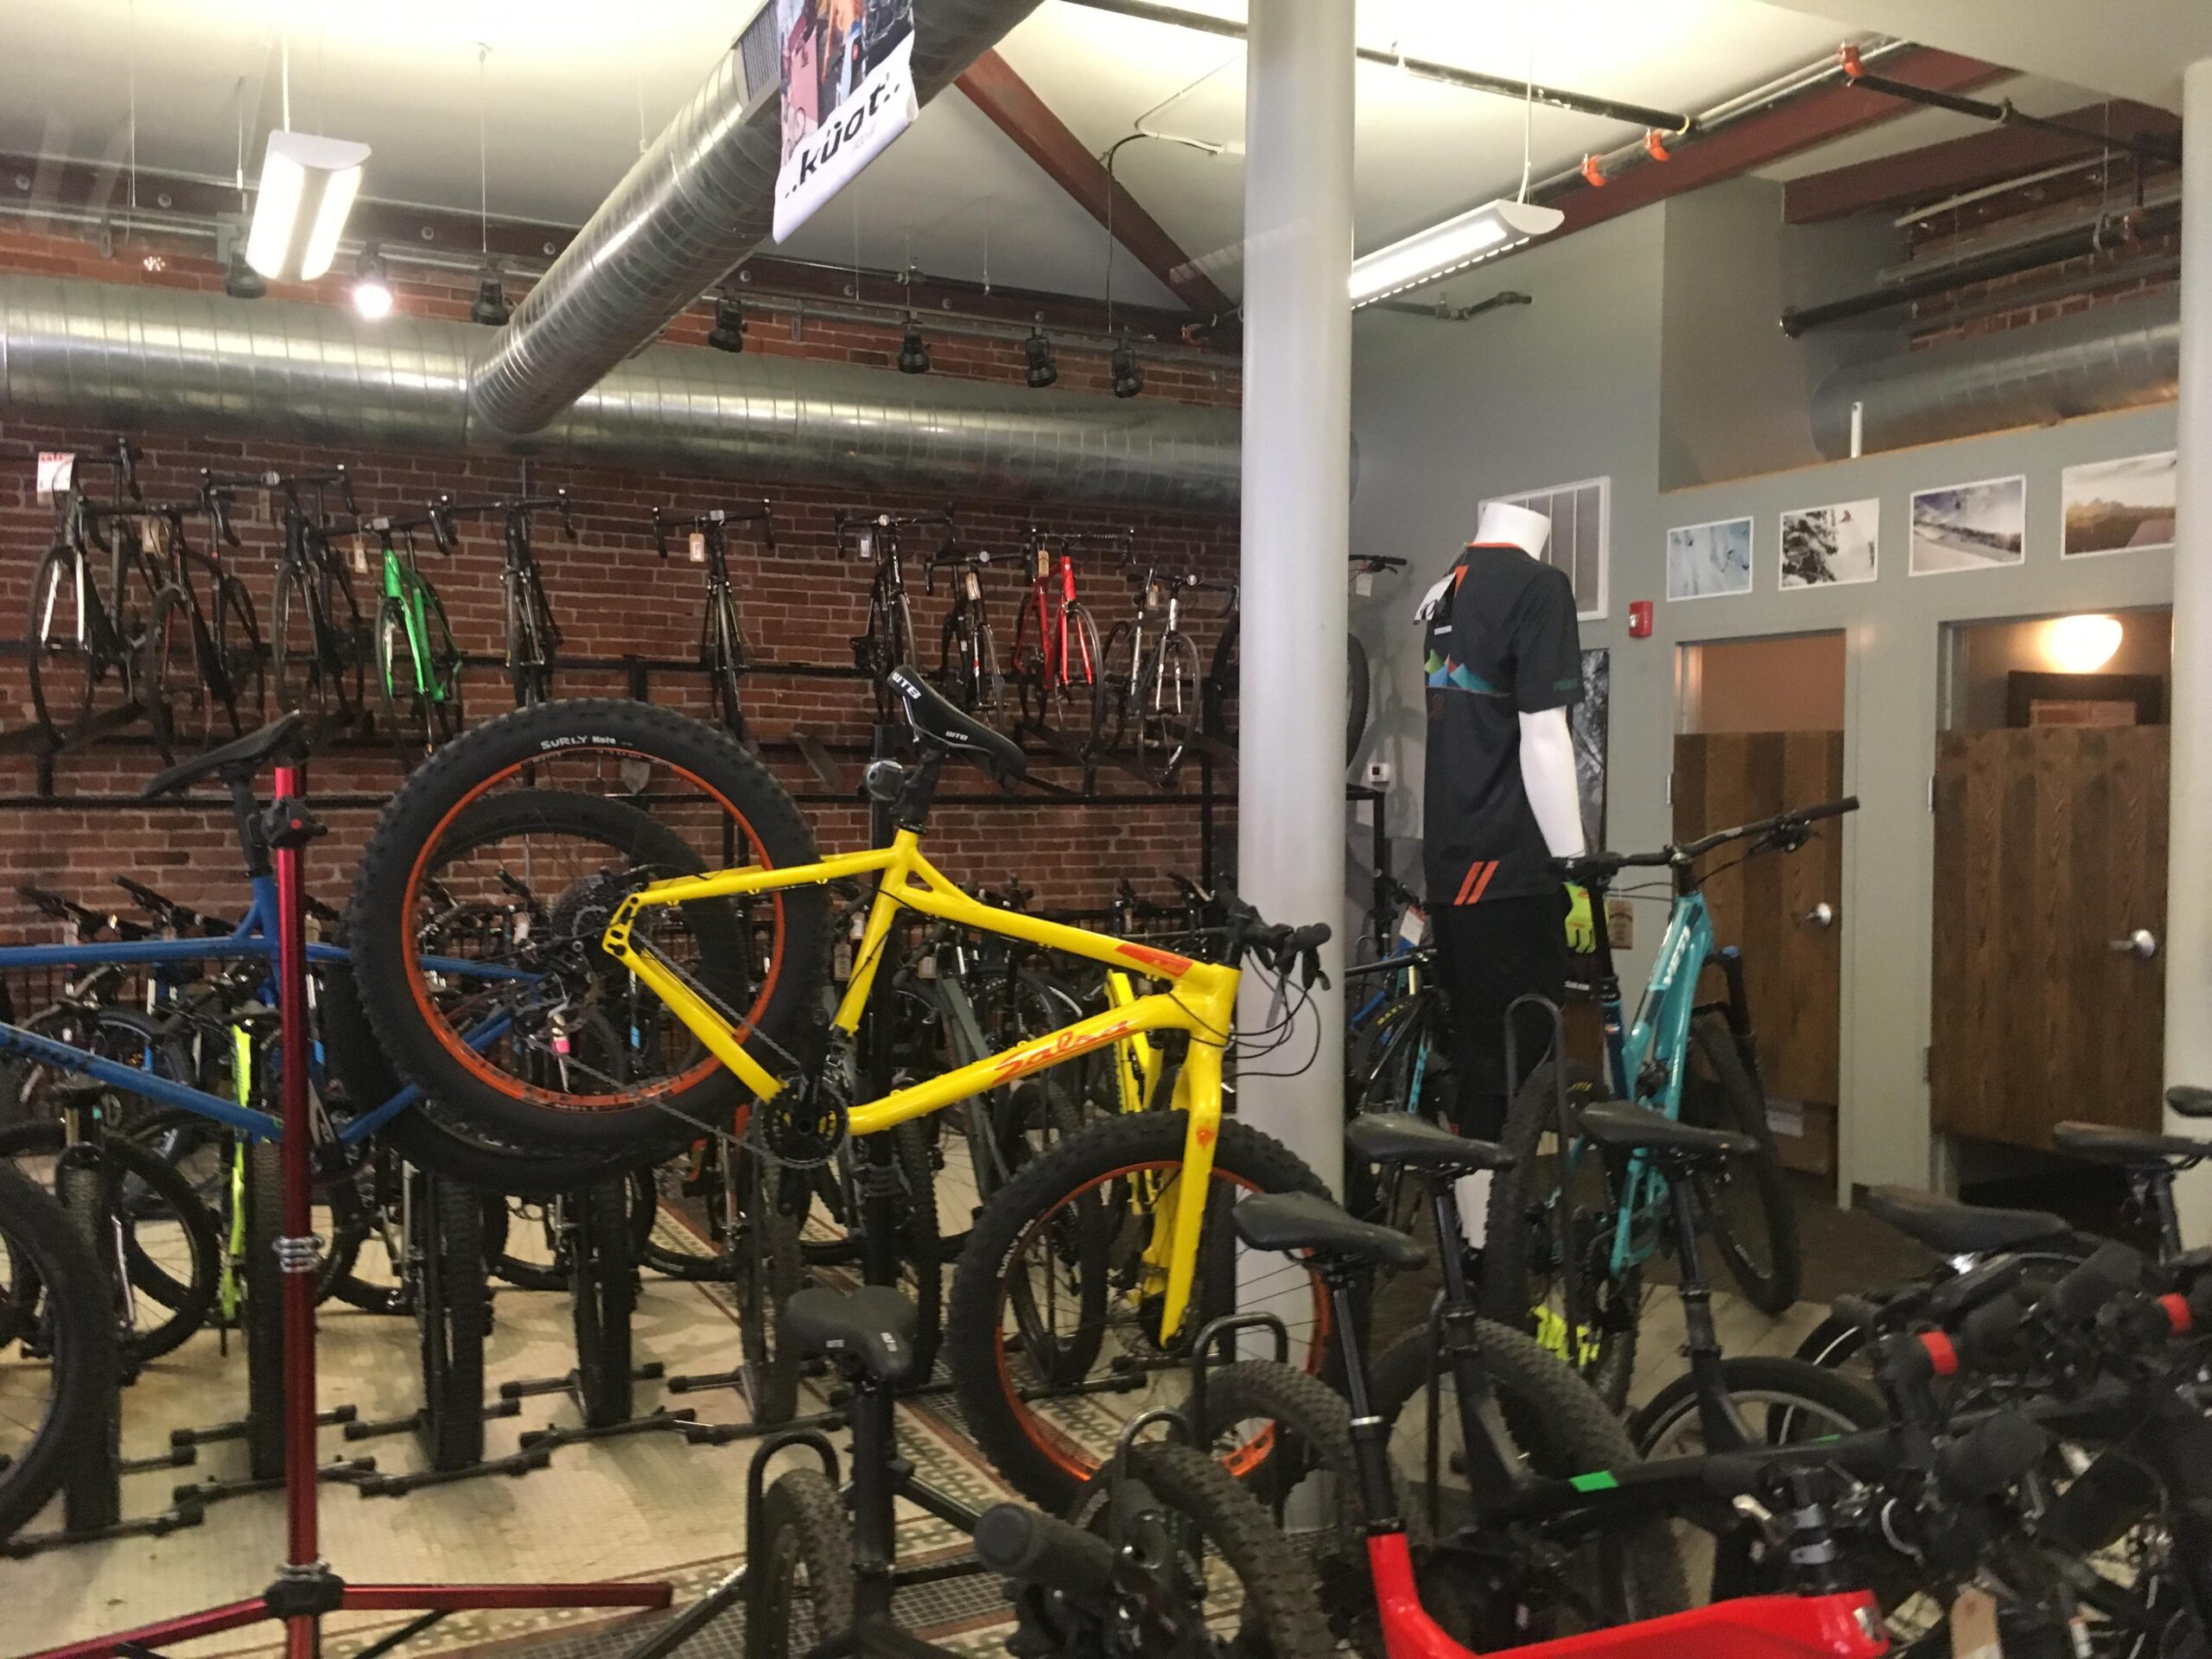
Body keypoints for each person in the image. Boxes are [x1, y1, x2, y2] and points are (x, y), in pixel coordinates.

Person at [1418, 501, 1586, 1194]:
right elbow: (1544, 736)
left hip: (1450, 861)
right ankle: (1495, 1267)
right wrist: (1576, 866)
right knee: (1515, 1082)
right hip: (1512, 865)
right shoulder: (1539, 587)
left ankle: (1472, 1248)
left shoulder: (1445, 590)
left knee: (1476, 1073)